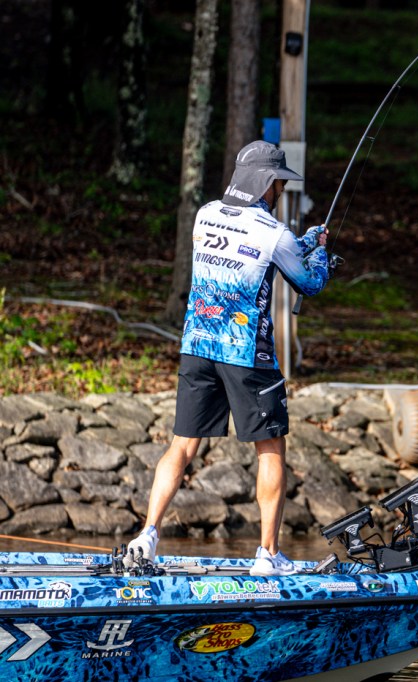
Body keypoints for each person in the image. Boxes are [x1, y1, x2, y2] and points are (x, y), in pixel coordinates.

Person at [126, 140, 334, 576]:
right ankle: (268, 555)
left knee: (182, 444)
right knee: (270, 447)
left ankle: (147, 535)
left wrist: (305, 241)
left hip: (197, 346)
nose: (281, 189)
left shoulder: (205, 215)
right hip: (247, 354)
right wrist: (322, 257)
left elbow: (251, 248)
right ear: (267, 183)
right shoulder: (274, 233)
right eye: (280, 183)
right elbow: (309, 282)